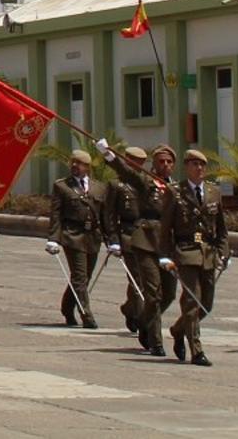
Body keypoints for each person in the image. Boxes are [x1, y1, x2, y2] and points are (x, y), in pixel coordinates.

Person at [99, 140, 176, 357]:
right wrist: (108, 154)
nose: (165, 165)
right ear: (154, 164)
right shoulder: (145, 181)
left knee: (169, 293)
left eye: (169, 162)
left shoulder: (176, 188)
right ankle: (156, 342)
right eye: (161, 161)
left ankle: (144, 321)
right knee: (152, 293)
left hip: (168, 245)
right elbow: (126, 172)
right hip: (145, 241)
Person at [167, 148, 227, 366]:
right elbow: (166, 228)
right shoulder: (175, 192)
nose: (199, 168)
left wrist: (224, 251)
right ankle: (197, 350)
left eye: (202, 165)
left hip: (208, 253)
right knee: (192, 301)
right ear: (187, 167)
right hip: (186, 251)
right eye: (194, 164)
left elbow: (221, 227)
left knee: (206, 304)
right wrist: (166, 256)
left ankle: (177, 329)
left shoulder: (213, 192)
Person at [48, 148, 108, 328]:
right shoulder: (62, 186)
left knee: (84, 276)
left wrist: (111, 240)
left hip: (92, 236)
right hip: (72, 235)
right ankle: (86, 314)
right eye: (73, 162)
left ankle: (67, 307)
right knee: (80, 275)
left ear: (87, 167)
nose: (75, 166)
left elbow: (104, 216)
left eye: (80, 163)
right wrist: (53, 238)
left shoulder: (99, 187)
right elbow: (56, 214)